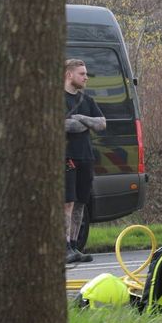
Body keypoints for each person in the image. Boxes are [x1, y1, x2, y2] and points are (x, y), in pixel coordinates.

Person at [65, 58, 106, 264]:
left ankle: (74, 245)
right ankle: (63, 246)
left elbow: (101, 123)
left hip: (86, 156)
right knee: (67, 202)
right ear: (69, 75)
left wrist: (81, 119)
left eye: (86, 73)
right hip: (67, 157)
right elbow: (65, 125)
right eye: (82, 74)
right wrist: (81, 123)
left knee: (81, 202)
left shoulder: (86, 101)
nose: (86, 77)